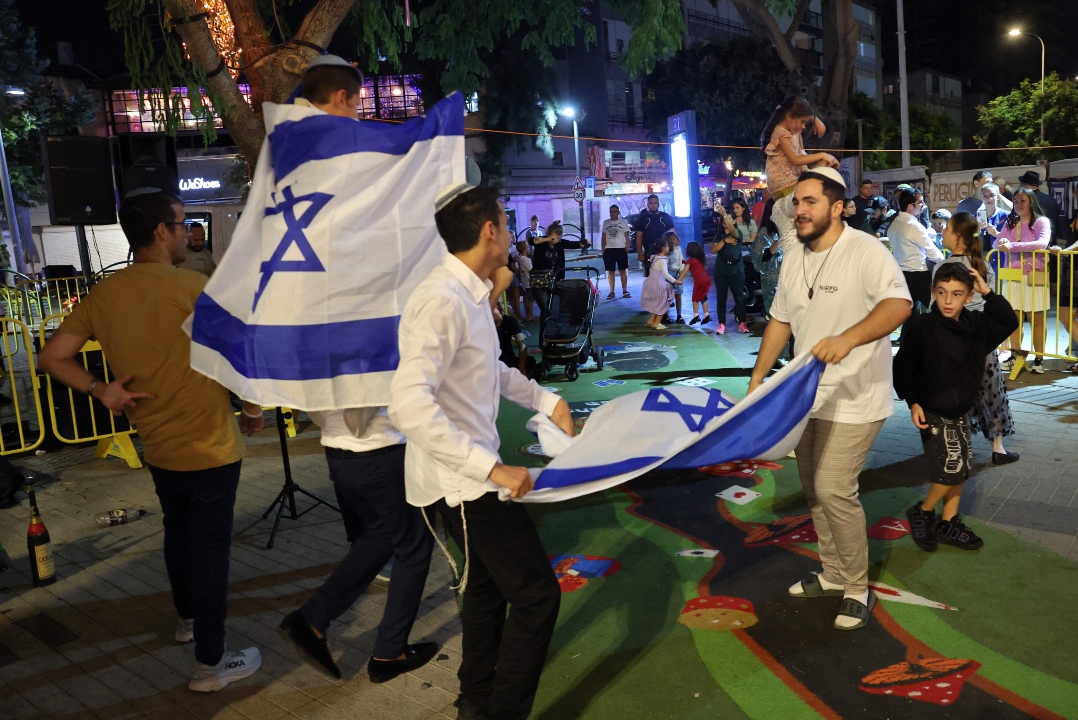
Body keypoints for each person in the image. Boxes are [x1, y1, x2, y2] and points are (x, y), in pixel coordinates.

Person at [37, 189, 265, 691]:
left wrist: (100, 390)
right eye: (182, 223)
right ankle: (212, 663)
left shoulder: (105, 294)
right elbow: (239, 361)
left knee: (179, 535)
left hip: (158, 445)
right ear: (161, 231)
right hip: (209, 446)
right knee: (210, 552)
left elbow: (52, 357)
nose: (186, 232)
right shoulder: (193, 287)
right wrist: (252, 412)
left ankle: (188, 621)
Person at [276, 55, 437, 686]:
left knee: (382, 536)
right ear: (344, 100)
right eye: (359, 105)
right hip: (366, 428)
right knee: (409, 540)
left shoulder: (291, 164)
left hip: (340, 426)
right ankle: (370, 644)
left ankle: (326, 624)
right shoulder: (335, 165)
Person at [389, 184, 575, 720]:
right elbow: (407, 403)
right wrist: (489, 467)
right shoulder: (441, 300)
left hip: (474, 473)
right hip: (464, 483)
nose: (514, 230)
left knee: (490, 592)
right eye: (506, 220)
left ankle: (475, 700)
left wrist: (547, 397)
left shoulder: (470, 293)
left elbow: (485, 370)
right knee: (537, 595)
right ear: (489, 231)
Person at [748, 167, 912, 631]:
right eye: (797, 202)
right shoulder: (794, 255)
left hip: (858, 395)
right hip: (806, 395)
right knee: (814, 489)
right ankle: (833, 573)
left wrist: (850, 337)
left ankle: (857, 587)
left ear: (837, 207)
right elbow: (781, 320)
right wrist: (759, 376)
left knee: (834, 488)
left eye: (810, 202)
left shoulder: (864, 250)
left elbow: (898, 305)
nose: (799, 209)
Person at [895, 263, 1018, 553]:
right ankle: (924, 511)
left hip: (961, 408)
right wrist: (912, 401)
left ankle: (948, 522)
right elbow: (903, 366)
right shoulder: (921, 326)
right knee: (952, 470)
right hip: (933, 409)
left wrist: (987, 291)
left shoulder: (976, 325)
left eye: (957, 294)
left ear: (968, 295)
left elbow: (1008, 319)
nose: (948, 301)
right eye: (942, 293)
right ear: (932, 292)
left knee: (961, 468)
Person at [938, 212, 1020, 464]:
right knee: (992, 394)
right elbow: (991, 303)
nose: (941, 232)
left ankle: (962, 451)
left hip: (954, 342)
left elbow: (938, 306)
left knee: (959, 398)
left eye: (946, 228)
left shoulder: (945, 268)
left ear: (957, 236)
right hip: (982, 342)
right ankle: (998, 449)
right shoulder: (982, 265)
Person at [761, 96, 839, 254]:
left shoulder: (789, 122)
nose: (803, 127)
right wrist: (822, 154)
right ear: (789, 116)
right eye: (802, 122)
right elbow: (796, 159)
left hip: (793, 183)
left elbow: (783, 107)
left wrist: (815, 119)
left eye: (806, 122)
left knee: (825, 167)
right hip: (786, 188)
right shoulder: (781, 134)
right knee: (823, 166)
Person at [995, 188, 1051, 374]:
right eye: (1016, 200)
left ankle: (1039, 358)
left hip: (1034, 274)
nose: (1018, 204)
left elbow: (1041, 243)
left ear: (1031, 201)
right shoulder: (1011, 222)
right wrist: (1005, 244)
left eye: (1022, 200)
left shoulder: (1041, 221)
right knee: (1014, 318)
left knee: (1036, 319)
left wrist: (1011, 246)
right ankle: (1016, 355)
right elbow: (997, 243)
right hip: (1012, 275)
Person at [889, 189, 945, 310]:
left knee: (910, 316)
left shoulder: (894, 223)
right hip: (918, 275)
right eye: (920, 203)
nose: (923, 206)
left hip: (902, 275)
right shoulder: (912, 225)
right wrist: (944, 261)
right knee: (939, 310)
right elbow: (931, 250)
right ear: (910, 206)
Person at [530, 221, 587, 336]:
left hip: (554, 281)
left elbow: (575, 244)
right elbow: (532, 241)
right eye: (553, 237)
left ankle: (551, 336)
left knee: (553, 310)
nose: (555, 240)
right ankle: (544, 340)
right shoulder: (541, 243)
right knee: (545, 309)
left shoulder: (560, 244)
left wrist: (584, 243)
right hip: (539, 282)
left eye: (558, 237)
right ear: (548, 234)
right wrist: (547, 239)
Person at [711, 203, 748, 335]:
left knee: (739, 298)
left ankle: (742, 323)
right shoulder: (719, 236)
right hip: (721, 272)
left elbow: (732, 231)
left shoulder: (737, 233)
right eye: (724, 220)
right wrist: (724, 241)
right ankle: (722, 324)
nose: (726, 222)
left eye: (729, 219)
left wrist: (725, 214)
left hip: (736, 271)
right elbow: (713, 249)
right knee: (721, 299)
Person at [750, 202, 783, 321]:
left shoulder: (784, 230)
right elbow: (763, 256)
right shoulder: (764, 232)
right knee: (775, 315)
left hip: (785, 277)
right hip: (771, 278)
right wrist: (780, 240)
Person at [640, 231, 679, 330]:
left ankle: (651, 320)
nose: (668, 247)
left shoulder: (655, 257)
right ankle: (656, 323)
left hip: (651, 283)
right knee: (663, 304)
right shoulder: (662, 260)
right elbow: (666, 274)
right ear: (664, 248)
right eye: (666, 245)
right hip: (659, 285)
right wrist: (675, 281)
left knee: (657, 304)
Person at [632, 194, 675, 276]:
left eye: (655, 203)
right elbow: (639, 237)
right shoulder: (643, 218)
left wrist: (671, 250)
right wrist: (640, 253)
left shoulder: (665, 217)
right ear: (648, 204)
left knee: (666, 276)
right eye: (651, 203)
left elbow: (672, 234)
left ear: (658, 204)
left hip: (664, 252)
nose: (653, 205)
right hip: (649, 252)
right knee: (650, 277)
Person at [601, 204, 631, 299]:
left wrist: (626, 248)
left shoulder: (623, 222)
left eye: (614, 211)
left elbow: (627, 236)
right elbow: (604, 237)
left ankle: (625, 290)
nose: (612, 213)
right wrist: (603, 250)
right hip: (609, 249)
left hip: (621, 249)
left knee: (623, 270)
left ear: (618, 212)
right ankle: (611, 291)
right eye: (611, 211)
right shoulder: (606, 223)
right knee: (611, 271)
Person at [683, 241, 712, 325]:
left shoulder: (691, 261)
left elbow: (685, 271)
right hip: (706, 280)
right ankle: (706, 315)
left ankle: (696, 315)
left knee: (695, 299)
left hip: (699, 281)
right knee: (703, 297)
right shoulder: (700, 260)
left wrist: (679, 279)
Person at [978, 182, 1009, 252]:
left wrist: (997, 234)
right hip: (981, 258)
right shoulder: (975, 217)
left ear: (998, 196)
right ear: (981, 198)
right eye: (984, 195)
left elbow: (1014, 238)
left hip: (1001, 258)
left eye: (992, 195)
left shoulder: (1007, 215)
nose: (988, 198)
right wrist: (977, 231)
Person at [667, 229, 686, 323]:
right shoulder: (666, 251)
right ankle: (665, 315)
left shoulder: (678, 249)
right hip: (668, 273)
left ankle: (679, 315)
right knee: (667, 296)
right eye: (674, 238)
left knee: (678, 295)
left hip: (677, 272)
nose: (676, 239)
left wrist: (681, 274)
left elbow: (681, 260)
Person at [515, 240, 535, 321]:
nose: (528, 248)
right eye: (527, 247)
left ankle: (528, 313)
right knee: (531, 298)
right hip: (529, 281)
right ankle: (529, 315)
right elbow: (531, 270)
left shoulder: (520, 258)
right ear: (524, 249)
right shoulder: (527, 259)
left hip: (524, 280)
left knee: (526, 297)